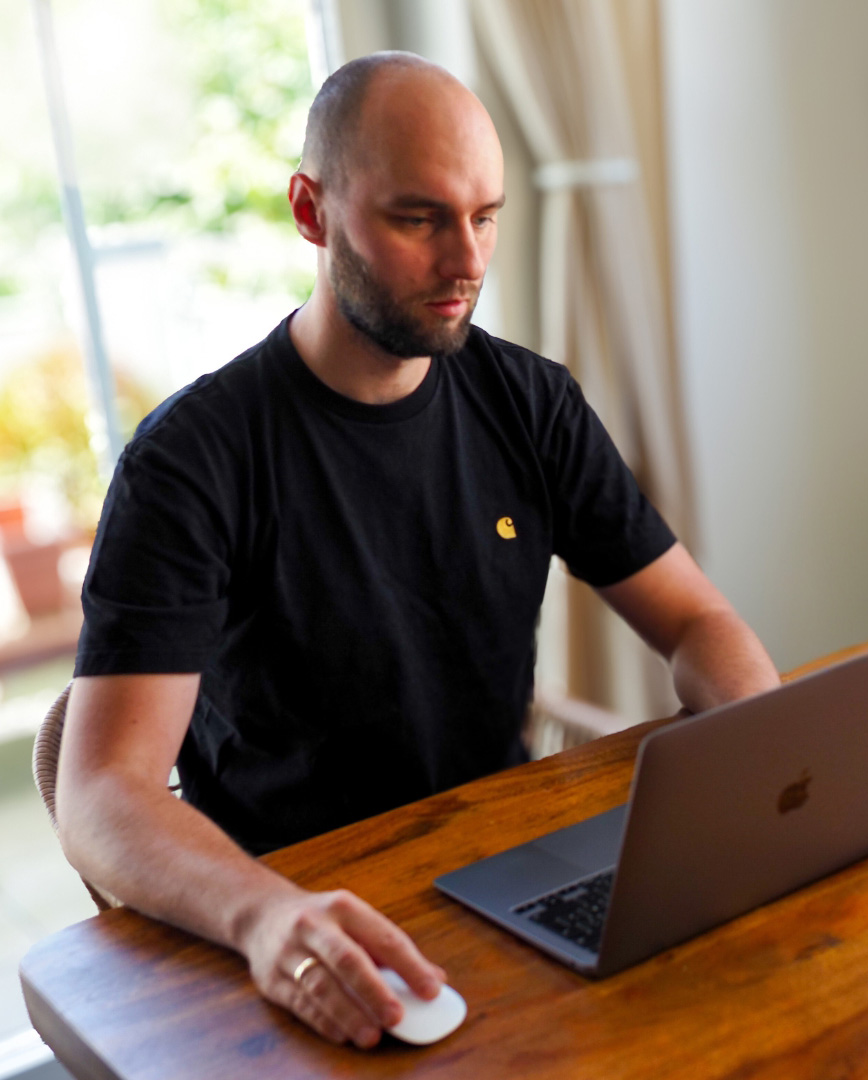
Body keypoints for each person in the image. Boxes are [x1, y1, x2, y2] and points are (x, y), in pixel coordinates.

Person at [56, 52, 780, 1050]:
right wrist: (266, 916)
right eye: (418, 218)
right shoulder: (192, 461)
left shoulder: (530, 402)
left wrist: (765, 757)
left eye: (485, 215)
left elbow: (697, 618)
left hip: (505, 873)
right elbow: (101, 793)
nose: (468, 260)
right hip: (299, 911)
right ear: (312, 211)